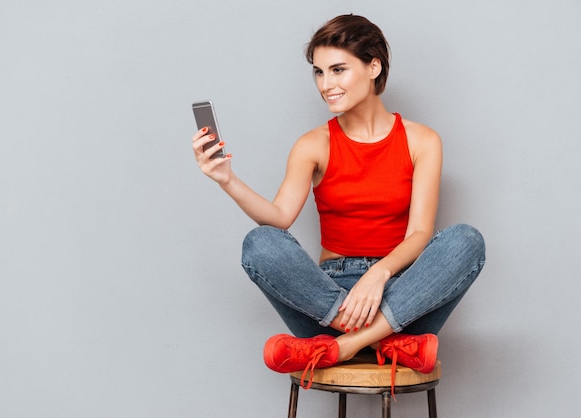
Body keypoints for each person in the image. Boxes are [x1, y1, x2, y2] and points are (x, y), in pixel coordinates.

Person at [191, 14, 485, 393]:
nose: (326, 85)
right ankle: (382, 340)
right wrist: (226, 179)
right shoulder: (313, 144)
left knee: (466, 240)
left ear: (373, 66)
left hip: (403, 292)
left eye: (338, 70)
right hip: (329, 303)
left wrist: (378, 275)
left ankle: (345, 345)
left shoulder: (421, 140)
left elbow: (420, 233)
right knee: (259, 243)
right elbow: (279, 218)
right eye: (318, 72)